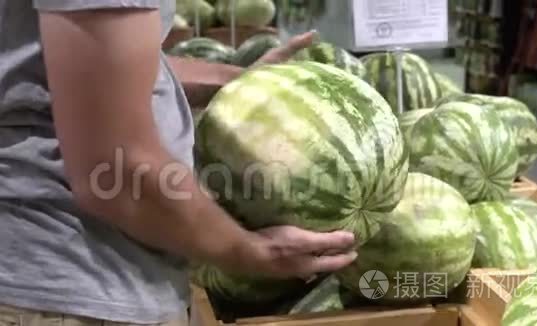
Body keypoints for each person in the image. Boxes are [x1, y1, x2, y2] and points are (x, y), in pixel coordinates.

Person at [0, 1, 358, 326]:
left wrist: (238, 82)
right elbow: (115, 172)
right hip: (74, 285)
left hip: (80, 281)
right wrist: (249, 251)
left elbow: (98, 59)